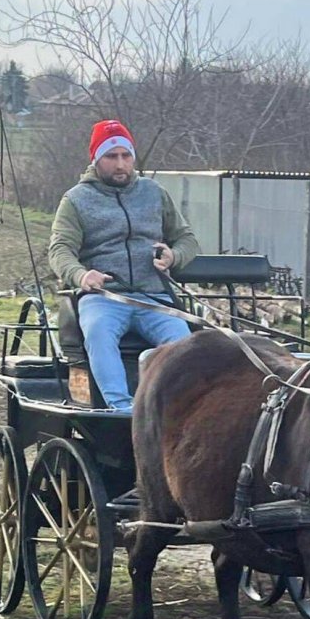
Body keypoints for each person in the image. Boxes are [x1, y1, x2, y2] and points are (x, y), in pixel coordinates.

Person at [48, 119, 199, 411]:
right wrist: (81, 275)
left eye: (126, 156)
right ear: (96, 159)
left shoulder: (154, 192)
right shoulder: (76, 200)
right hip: (104, 298)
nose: (120, 164)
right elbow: (60, 250)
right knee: (98, 332)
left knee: (183, 343)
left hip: (153, 296)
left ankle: (177, 409)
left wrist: (174, 255)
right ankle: (122, 409)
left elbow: (186, 238)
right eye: (111, 157)